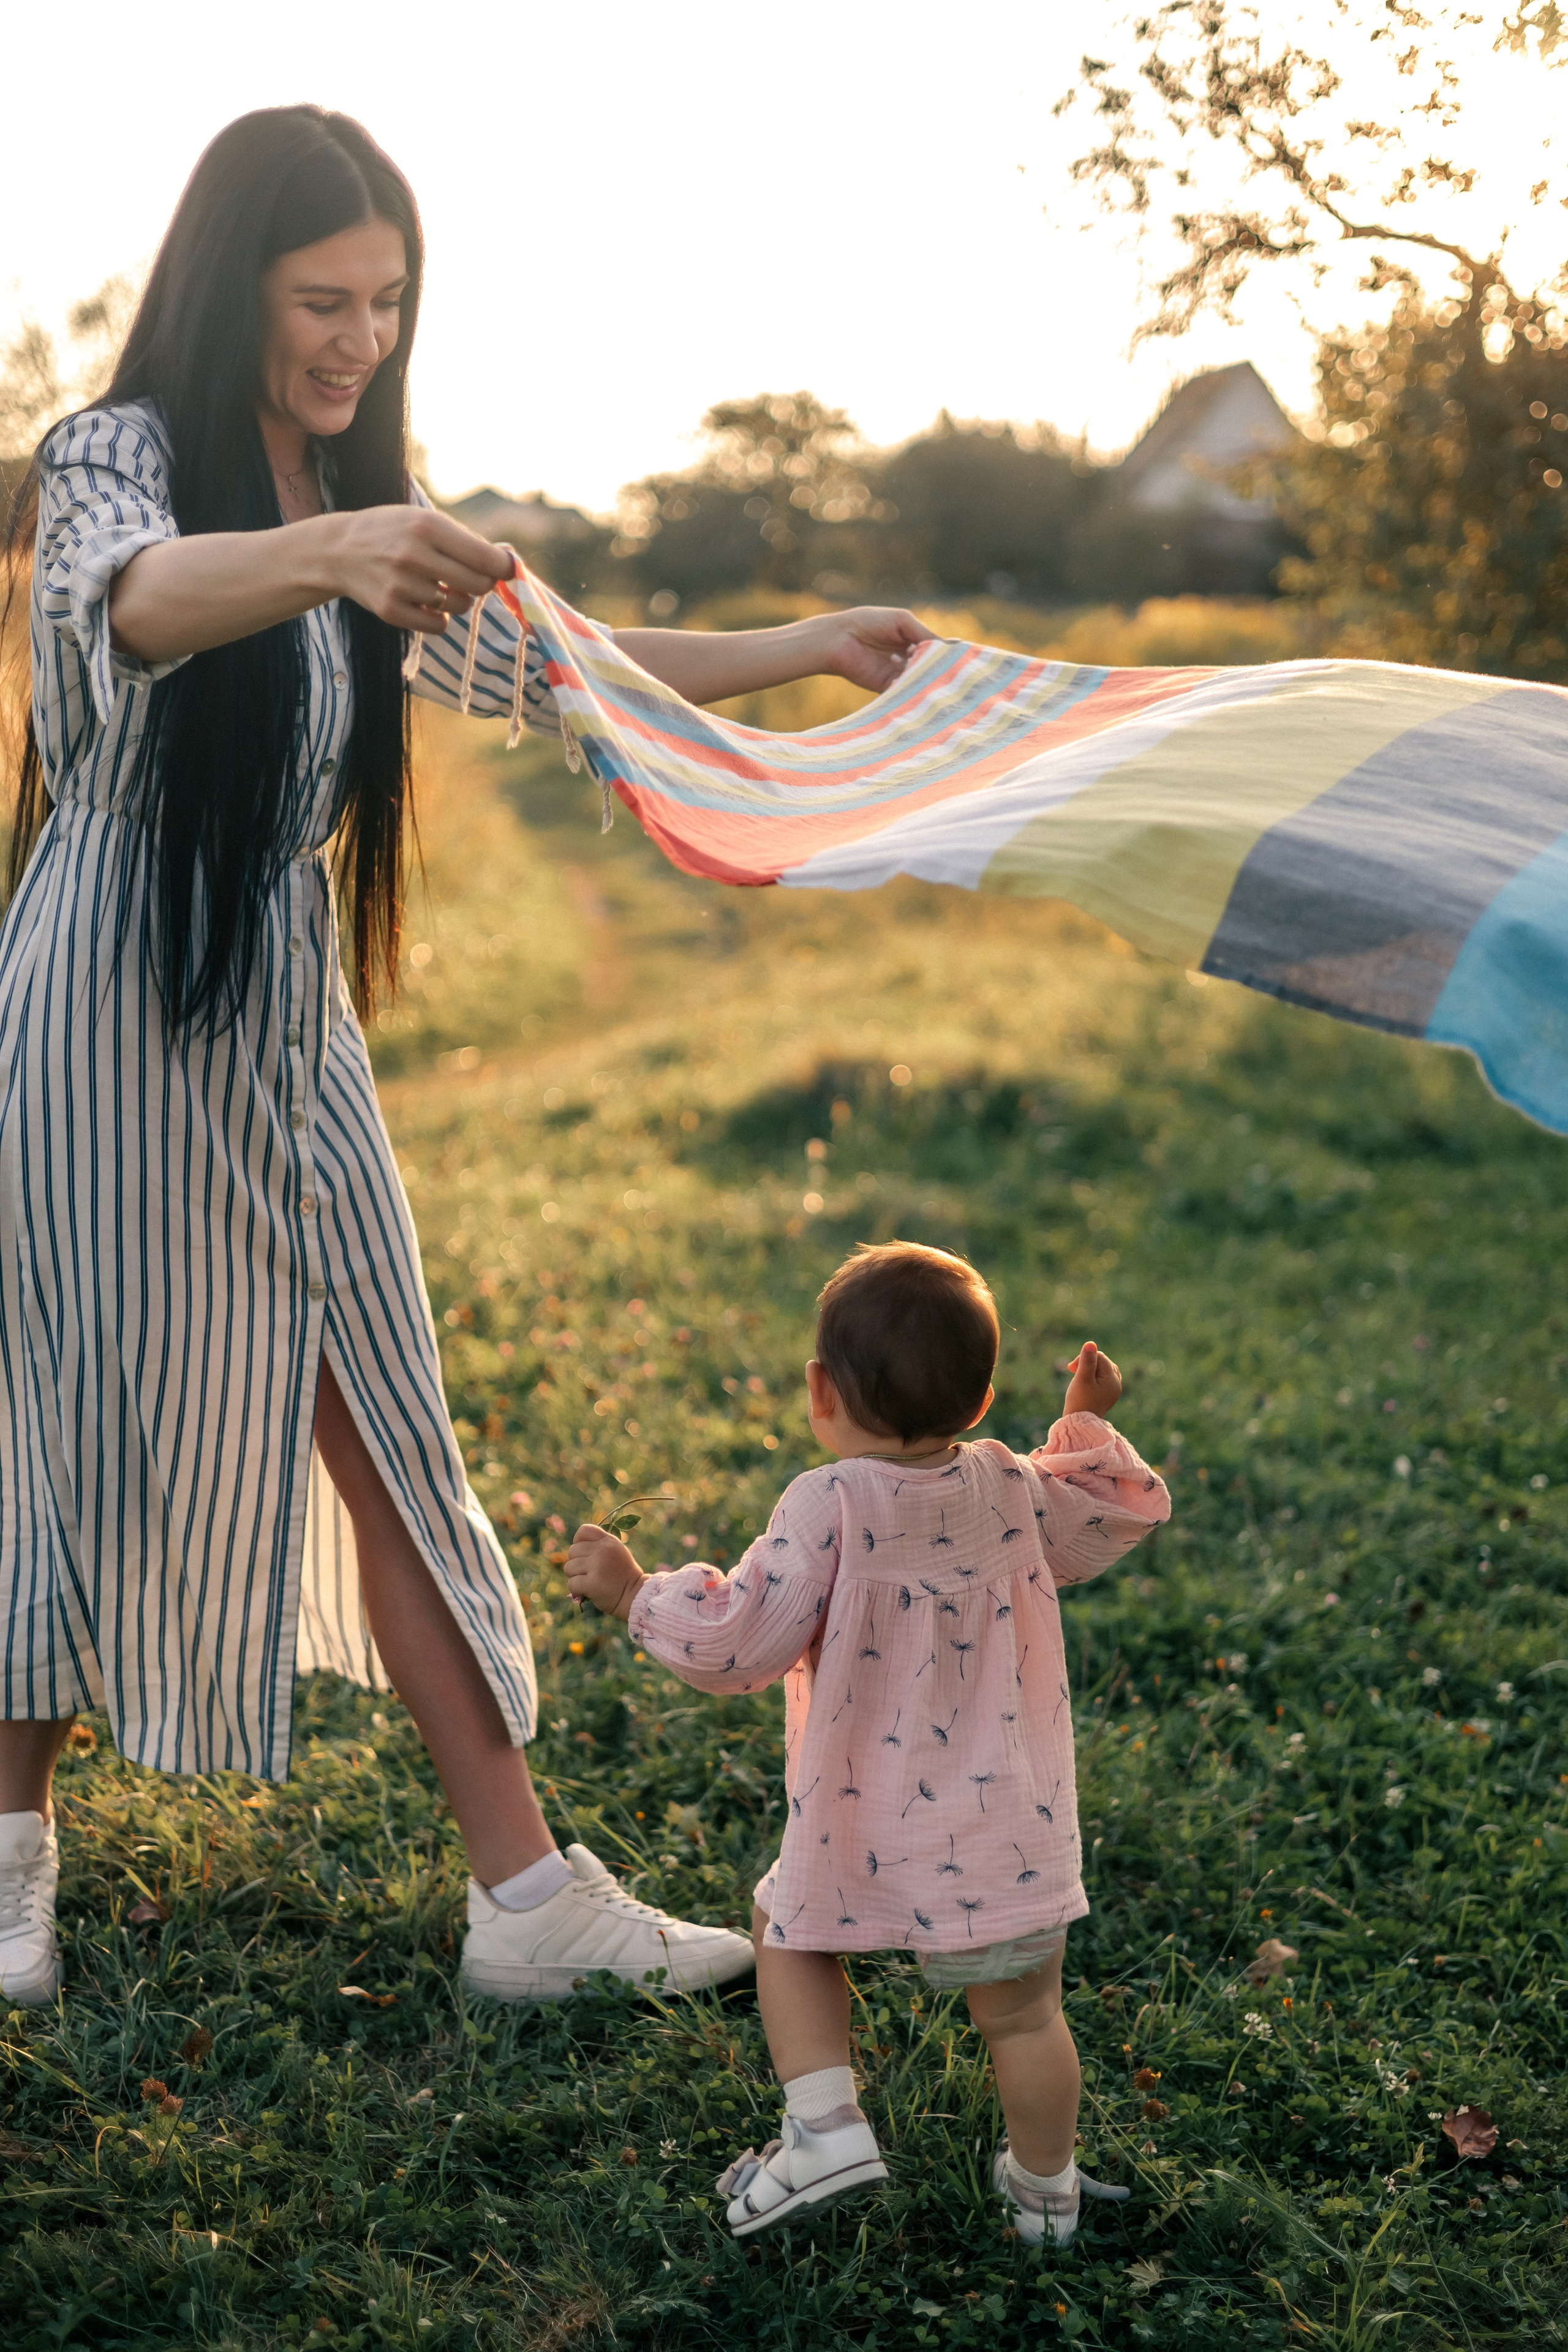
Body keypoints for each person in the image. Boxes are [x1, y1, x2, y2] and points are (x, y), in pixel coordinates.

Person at [0, 105, 936, 2011]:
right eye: (321, 299)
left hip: (281, 1013)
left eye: (389, 304)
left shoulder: (359, 476)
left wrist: (809, 644)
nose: (357, 341)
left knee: (384, 1417)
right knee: (56, 1413)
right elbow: (133, 607)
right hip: (100, 993)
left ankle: (527, 1903)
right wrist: (335, 543)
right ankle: (8, 1853)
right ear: (227, 282)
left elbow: (565, 657)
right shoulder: (118, 456)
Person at [567, 1242, 1171, 2244]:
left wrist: (638, 1592)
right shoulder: (1007, 1483)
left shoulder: (828, 1502)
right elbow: (1106, 1516)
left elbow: (740, 1644)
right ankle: (1046, 2194)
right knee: (1024, 2018)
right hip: (1003, 1827)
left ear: (821, 1391)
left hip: (863, 1814)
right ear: (978, 1405)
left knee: (789, 1932)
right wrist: (1088, 1419)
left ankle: (826, 2130)